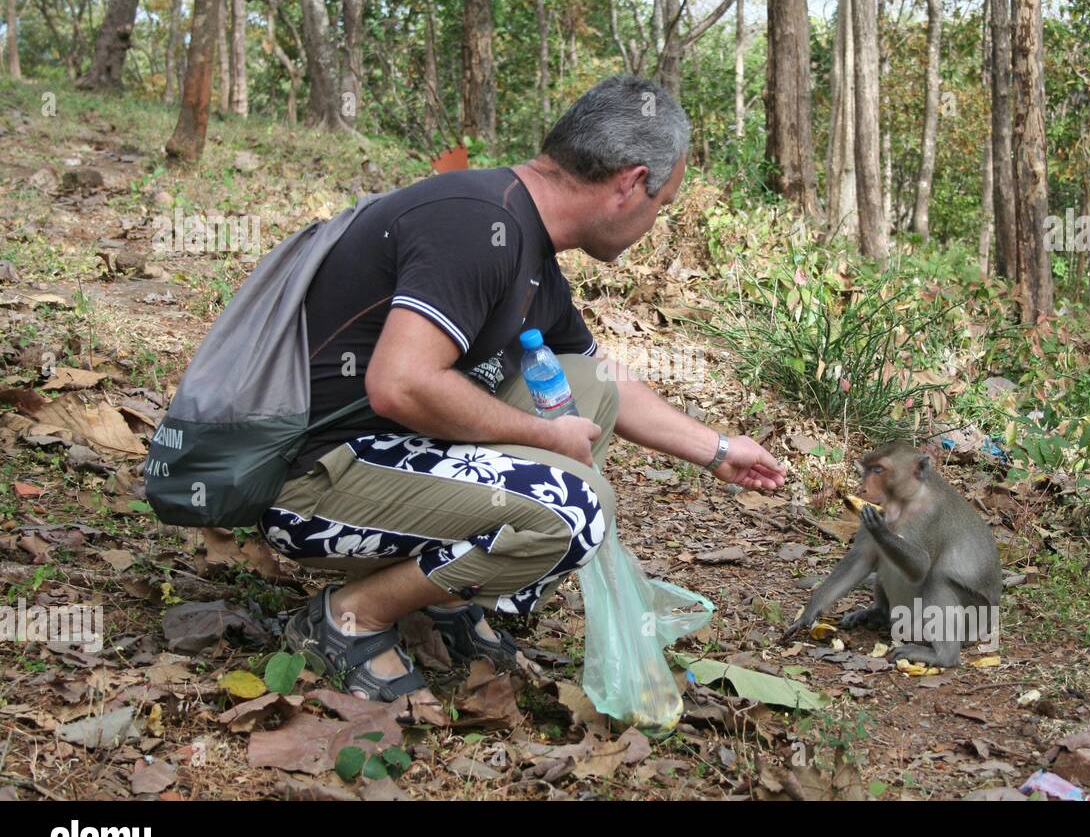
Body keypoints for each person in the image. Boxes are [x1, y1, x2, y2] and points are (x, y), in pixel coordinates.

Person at [258, 76, 786, 703]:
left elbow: (603, 377)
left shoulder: (521, 236)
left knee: (585, 386)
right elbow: (399, 386)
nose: (655, 221)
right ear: (628, 183)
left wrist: (720, 451)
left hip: (384, 459)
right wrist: (542, 435)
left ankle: (443, 599)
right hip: (308, 488)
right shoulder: (475, 226)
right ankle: (349, 617)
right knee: (574, 509)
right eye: (661, 205)